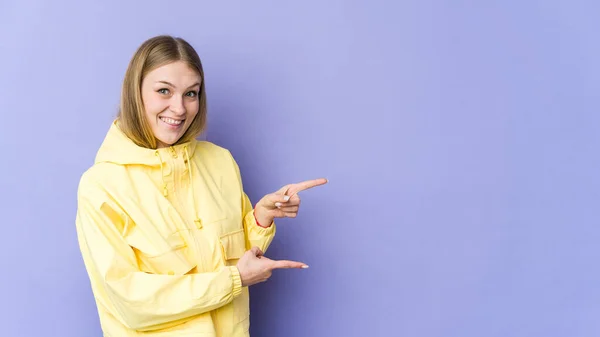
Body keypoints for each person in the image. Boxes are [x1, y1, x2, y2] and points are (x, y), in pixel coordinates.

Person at [75, 35, 327, 337]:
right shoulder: (102, 186)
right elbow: (130, 303)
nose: (179, 108)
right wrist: (233, 280)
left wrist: (261, 217)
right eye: (164, 91)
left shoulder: (220, 162)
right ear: (135, 92)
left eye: (191, 93)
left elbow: (243, 260)